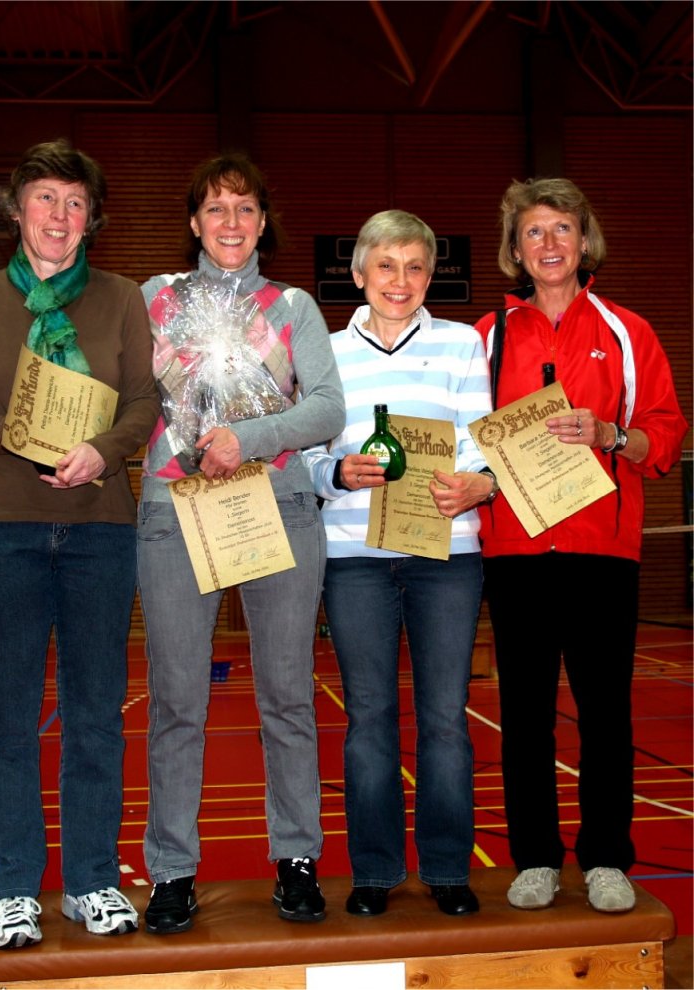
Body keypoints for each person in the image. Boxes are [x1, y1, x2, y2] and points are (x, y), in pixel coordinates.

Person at [0, 139, 160, 949]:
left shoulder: (121, 299)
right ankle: (14, 888)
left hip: (100, 529)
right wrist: (13, 433)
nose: (60, 215)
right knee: (6, 717)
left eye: (75, 202)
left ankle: (92, 879)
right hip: (1, 530)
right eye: (46, 199)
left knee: (96, 715)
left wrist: (104, 450)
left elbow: (143, 402)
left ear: (93, 219)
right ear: (17, 211)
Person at [137, 152, 345, 932]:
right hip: (175, 509)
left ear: (263, 222)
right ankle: (171, 872)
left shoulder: (290, 306)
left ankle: (297, 861)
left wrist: (248, 438)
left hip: (277, 505)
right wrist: (0, 290)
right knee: (176, 701)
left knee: (288, 696)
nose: (232, 222)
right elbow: (81, 337)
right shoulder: (154, 299)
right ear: (195, 222)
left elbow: (326, 408)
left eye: (246, 208)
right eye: (216, 208)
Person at [475, 178, 687, 913]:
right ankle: (535, 856)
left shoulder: (628, 331)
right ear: (515, 250)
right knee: (525, 715)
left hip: (604, 551)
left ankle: (606, 859)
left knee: (605, 713)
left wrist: (610, 434)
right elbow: (467, 442)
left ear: (585, 240)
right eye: (534, 231)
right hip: (515, 552)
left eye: (562, 229)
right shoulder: (487, 336)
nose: (549, 243)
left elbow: (665, 438)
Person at [303, 210, 495, 918]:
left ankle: (447, 869)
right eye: (386, 266)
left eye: (416, 267)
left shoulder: (461, 343)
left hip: (448, 557)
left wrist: (476, 482)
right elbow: (305, 452)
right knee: (369, 719)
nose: (400, 280)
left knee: (445, 719)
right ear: (359, 274)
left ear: (430, 276)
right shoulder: (323, 352)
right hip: (354, 558)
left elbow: (479, 443)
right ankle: (375, 871)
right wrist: (335, 473)